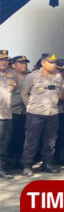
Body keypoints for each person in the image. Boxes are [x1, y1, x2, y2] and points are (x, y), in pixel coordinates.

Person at [20, 53, 63, 176]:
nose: (54, 65)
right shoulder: (32, 76)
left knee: (50, 141)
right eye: (51, 62)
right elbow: (24, 93)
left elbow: (59, 92)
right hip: (35, 114)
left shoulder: (58, 76)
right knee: (31, 141)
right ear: (43, 63)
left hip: (52, 113)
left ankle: (48, 164)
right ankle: (27, 165)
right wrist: (30, 106)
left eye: (55, 62)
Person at [9, 55, 29, 169]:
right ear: (13, 65)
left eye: (25, 63)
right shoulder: (9, 77)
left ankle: (20, 161)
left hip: (26, 112)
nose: (24, 65)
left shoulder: (30, 77)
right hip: (12, 112)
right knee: (9, 139)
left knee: (22, 138)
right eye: (21, 63)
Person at [0, 50, 16, 178]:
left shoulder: (11, 75)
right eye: (1, 60)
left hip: (7, 115)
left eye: (6, 60)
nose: (4, 62)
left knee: (4, 143)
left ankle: (1, 168)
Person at [54, 59, 64, 166]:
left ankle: (61, 156)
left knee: (63, 135)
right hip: (52, 111)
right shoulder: (51, 79)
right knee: (51, 137)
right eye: (60, 70)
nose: (62, 72)